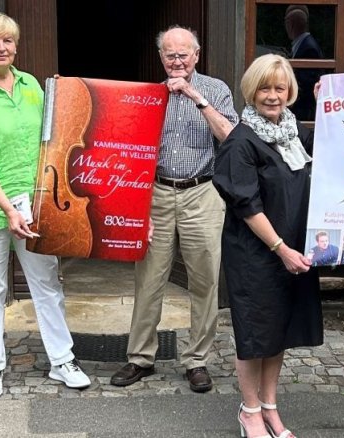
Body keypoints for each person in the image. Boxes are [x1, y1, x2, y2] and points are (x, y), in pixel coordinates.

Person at [0, 12, 90, 399]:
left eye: (8, 41)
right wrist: (8, 210)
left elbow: (54, 134)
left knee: (46, 282)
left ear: (16, 46)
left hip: (34, 202)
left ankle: (62, 361)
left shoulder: (31, 85)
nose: (1, 48)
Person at [110, 26, 238, 393]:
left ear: (197, 55)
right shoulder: (149, 96)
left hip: (203, 192)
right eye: (170, 55)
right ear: (161, 58)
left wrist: (196, 97)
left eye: (183, 54)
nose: (177, 61)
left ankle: (197, 361)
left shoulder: (215, 90)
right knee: (149, 279)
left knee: (205, 280)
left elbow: (230, 136)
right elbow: (128, 148)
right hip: (157, 194)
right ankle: (140, 358)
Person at [213, 54, 323, 438]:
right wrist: (281, 248)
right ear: (251, 91)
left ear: (290, 91)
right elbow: (246, 205)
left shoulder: (296, 135)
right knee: (256, 335)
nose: (272, 96)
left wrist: (329, 105)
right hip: (257, 253)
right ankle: (249, 411)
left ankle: (271, 408)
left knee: (279, 331)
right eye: (264, 87)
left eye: (279, 87)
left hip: (292, 250)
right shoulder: (241, 141)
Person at [284, 5, 323, 121]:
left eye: (287, 22)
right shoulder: (303, 44)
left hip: (304, 112)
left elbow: (306, 84)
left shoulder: (309, 48)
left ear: (290, 25)